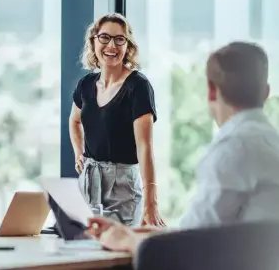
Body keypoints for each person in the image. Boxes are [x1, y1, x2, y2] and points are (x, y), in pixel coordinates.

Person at [86, 41, 279, 253]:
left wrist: (127, 241)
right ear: (265, 92)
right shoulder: (270, 144)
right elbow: (203, 232)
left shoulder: (233, 149)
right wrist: (132, 233)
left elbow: (190, 246)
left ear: (212, 92)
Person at [69, 13, 164, 227]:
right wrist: (78, 152)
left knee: (119, 254)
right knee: (85, 250)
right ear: (93, 42)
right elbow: (74, 121)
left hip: (123, 186)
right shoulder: (86, 84)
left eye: (119, 39)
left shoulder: (138, 86)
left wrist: (151, 204)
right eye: (104, 37)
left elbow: (145, 147)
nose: (111, 45)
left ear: (127, 46)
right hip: (88, 181)